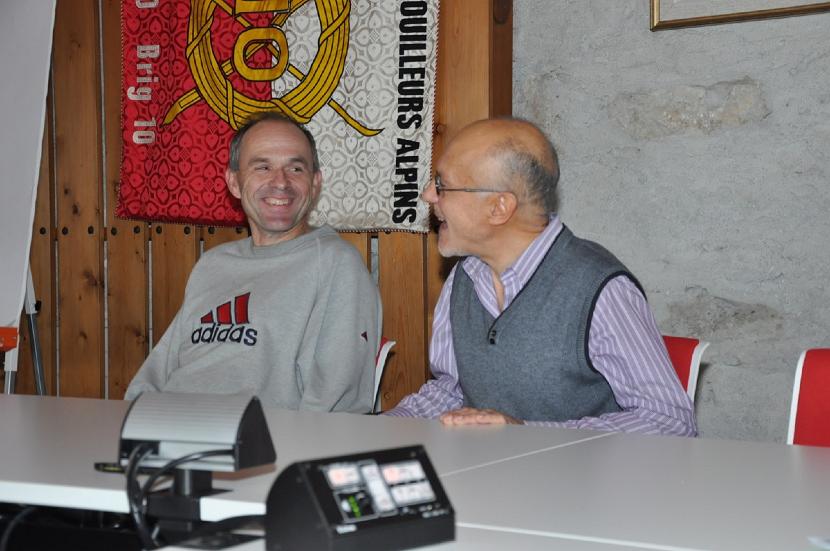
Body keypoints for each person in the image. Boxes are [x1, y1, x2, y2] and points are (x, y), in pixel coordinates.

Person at [385, 118, 695, 436]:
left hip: (580, 471)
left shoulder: (599, 289)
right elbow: (450, 393)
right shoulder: (463, 277)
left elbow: (669, 422)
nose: (428, 195)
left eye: (442, 184)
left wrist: (526, 433)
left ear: (499, 207)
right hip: (488, 467)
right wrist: (376, 428)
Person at [126, 113, 382, 412]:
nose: (281, 182)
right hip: (168, 426)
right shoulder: (212, 264)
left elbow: (336, 405)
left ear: (315, 184)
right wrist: (133, 421)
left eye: (295, 168)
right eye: (263, 167)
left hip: (260, 437)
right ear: (234, 183)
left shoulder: (337, 264)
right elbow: (155, 374)